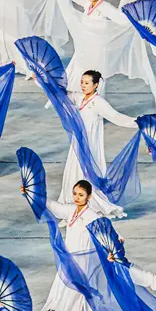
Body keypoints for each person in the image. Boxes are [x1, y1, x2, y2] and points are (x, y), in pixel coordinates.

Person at [58, 70, 137, 218]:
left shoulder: (98, 102)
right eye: (82, 82)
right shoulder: (80, 98)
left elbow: (116, 117)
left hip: (90, 147)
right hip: (77, 144)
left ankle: (90, 206)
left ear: (96, 85)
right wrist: (44, 79)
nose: (83, 85)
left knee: (87, 173)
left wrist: (138, 122)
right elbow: (62, 94)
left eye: (87, 83)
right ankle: (72, 207)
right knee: (73, 171)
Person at [36, 180, 102, 311]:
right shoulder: (71, 210)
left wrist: (118, 240)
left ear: (89, 196)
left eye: (81, 195)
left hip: (81, 258)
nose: (77, 197)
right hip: (68, 256)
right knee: (63, 282)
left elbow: (104, 232)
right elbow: (54, 206)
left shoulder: (91, 216)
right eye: (75, 194)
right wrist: (34, 195)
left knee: (75, 285)